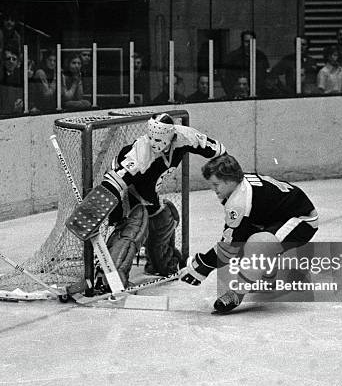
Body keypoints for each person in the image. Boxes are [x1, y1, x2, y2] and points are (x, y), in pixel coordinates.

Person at [66, 112, 226, 290]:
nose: (154, 143)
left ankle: (160, 264)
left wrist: (227, 171)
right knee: (135, 226)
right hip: (124, 194)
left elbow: (217, 149)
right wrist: (94, 210)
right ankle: (109, 276)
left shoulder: (184, 136)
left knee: (166, 218)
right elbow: (113, 183)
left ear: (171, 136)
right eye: (151, 138)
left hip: (148, 195)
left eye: (159, 139)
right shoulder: (140, 151)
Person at [179, 154, 319, 313]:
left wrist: (203, 266)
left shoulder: (239, 200)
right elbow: (233, 238)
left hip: (302, 220)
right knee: (247, 244)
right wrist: (205, 264)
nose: (213, 189)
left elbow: (229, 247)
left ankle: (237, 294)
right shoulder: (238, 187)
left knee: (258, 244)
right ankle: (267, 278)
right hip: (276, 218)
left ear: (229, 180)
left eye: (216, 184)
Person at [221, 30, 270, 98]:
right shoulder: (233, 57)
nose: (249, 44)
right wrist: (232, 95)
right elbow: (225, 79)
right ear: (242, 42)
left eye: (251, 42)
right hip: (237, 97)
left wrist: (261, 94)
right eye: (247, 42)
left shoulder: (261, 57)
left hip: (258, 96)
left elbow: (266, 77)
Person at [0, 47, 24, 117]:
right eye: (8, 59)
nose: (11, 61)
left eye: (14, 59)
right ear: (4, 62)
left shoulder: (21, 78)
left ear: (18, 63)